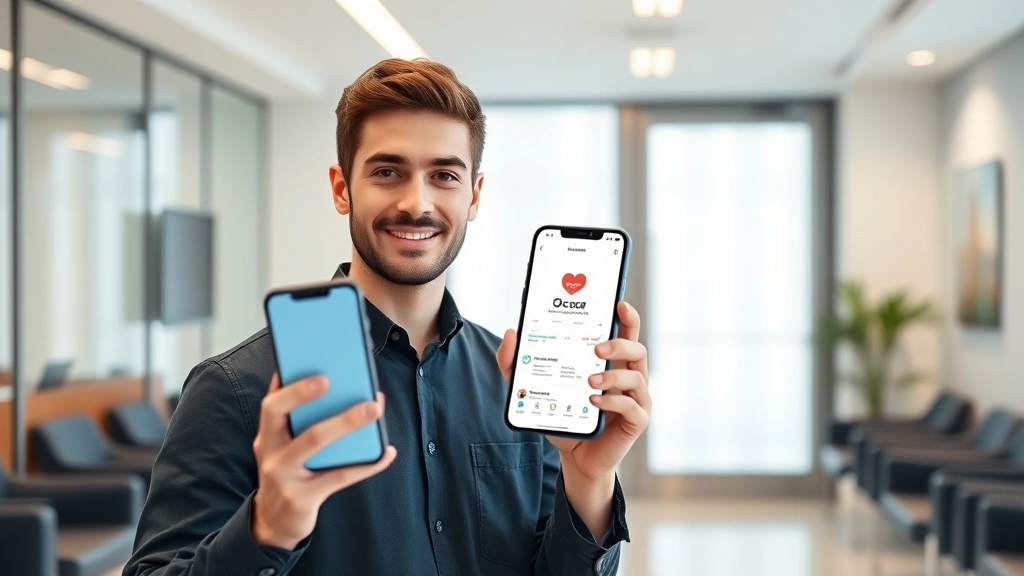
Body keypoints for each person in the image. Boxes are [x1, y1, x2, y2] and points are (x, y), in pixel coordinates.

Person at [125, 58, 652, 576]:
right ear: (341, 188)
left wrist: (589, 479)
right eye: (386, 171)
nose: (415, 202)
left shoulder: (515, 378)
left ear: (474, 196)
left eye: (444, 175)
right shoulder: (236, 390)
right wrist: (267, 529)